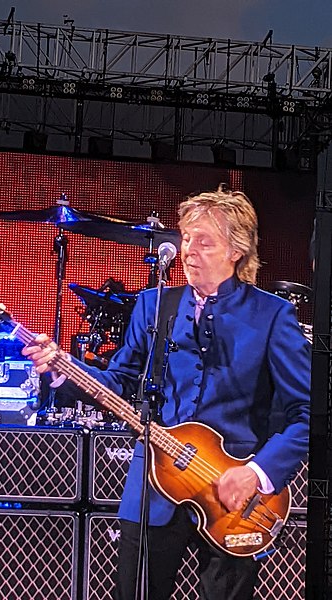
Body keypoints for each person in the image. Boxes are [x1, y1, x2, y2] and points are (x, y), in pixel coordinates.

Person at [22, 184, 311, 600]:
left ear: (236, 251)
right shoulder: (153, 305)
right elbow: (119, 384)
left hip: (234, 496)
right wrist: (63, 369)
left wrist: (257, 473)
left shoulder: (271, 315)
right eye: (186, 237)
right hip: (153, 488)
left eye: (204, 242)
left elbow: (306, 413)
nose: (188, 249)